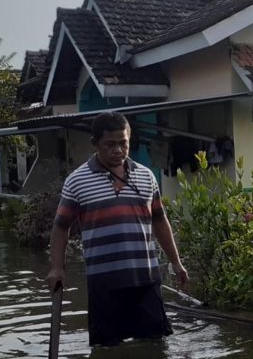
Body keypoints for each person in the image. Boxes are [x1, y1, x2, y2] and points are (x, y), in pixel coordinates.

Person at [46, 112, 188, 346]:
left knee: (155, 347)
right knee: (107, 351)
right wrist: (57, 268)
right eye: (110, 145)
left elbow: (160, 220)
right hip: (104, 282)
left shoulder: (146, 176)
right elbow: (61, 227)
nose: (118, 151)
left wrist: (176, 262)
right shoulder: (77, 181)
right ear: (95, 144)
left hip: (145, 278)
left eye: (123, 144)